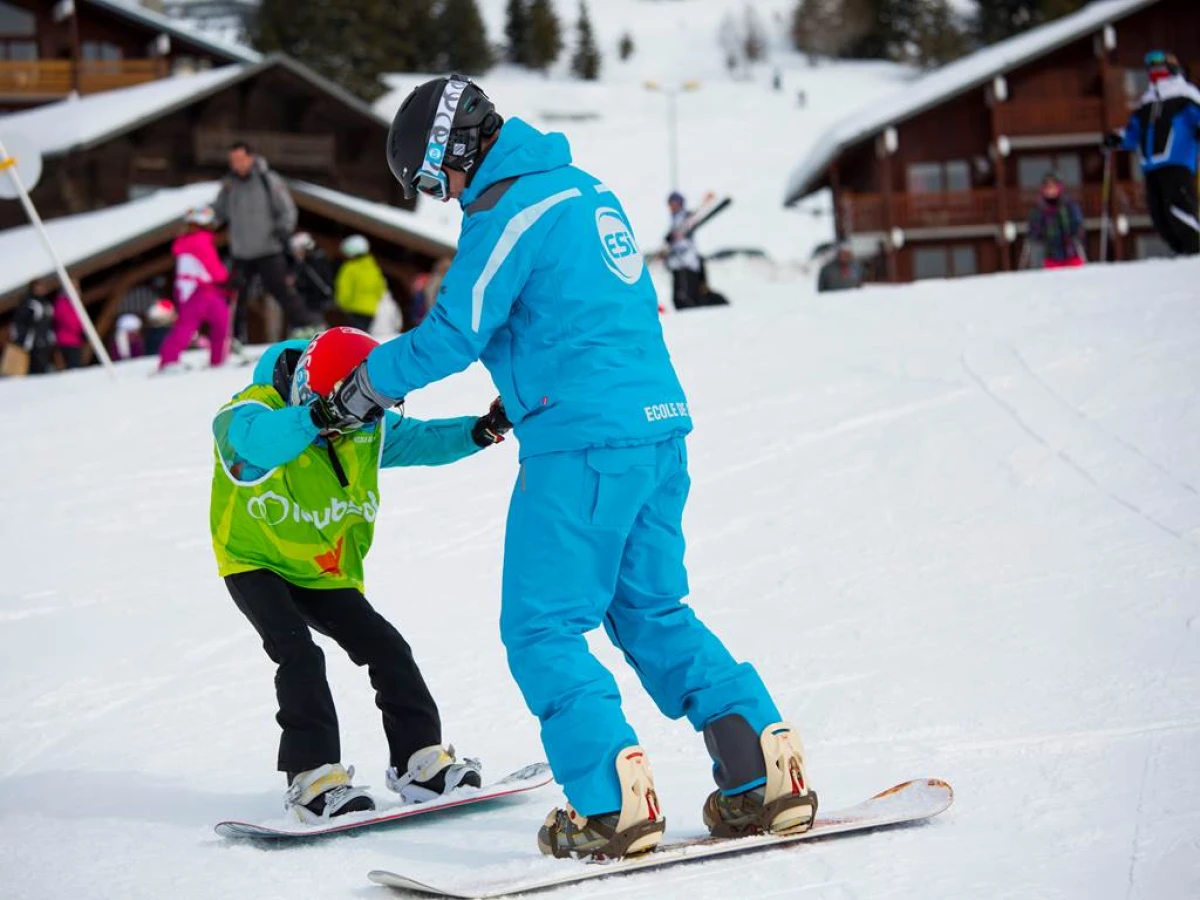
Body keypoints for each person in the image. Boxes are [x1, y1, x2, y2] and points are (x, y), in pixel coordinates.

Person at [323, 75, 818, 859]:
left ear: (456, 145)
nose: (441, 196)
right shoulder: (588, 193)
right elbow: (588, 318)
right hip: (657, 435)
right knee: (654, 611)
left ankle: (609, 803)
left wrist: (366, 389)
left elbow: (457, 330)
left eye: (429, 177)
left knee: (542, 625)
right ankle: (764, 770)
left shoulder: (509, 209)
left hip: (584, 446)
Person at [211, 326, 513, 823]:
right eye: (342, 417)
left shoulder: (362, 425)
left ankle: (417, 762)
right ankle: (312, 777)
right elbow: (255, 446)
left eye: (357, 418)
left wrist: (481, 430)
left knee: (388, 649)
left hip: (324, 567)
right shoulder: (248, 411)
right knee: (299, 656)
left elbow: (419, 440)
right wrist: (316, 416)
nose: (347, 431)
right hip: (256, 559)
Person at [212, 140, 321, 337]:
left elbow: (287, 209)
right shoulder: (229, 184)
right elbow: (219, 212)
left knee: (281, 290)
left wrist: (283, 229)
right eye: (232, 160)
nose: (236, 164)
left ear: (250, 158)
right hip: (241, 251)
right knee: (235, 296)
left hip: (268, 248)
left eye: (240, 159)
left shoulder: (268, 179)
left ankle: (308, 325)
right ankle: (233, 336)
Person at [1103, 50, 1200, 256]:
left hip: (1177, 162)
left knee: (1179, 209)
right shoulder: (1146, 103)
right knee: (1159, 215)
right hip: (1151, 167)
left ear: (1172, 68)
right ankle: (1183, 254)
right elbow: (1133, 133)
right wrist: (1117, 138)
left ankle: (1195, 249)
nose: (1156, 72)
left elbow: (1196, 117)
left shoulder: (1185, 95)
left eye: (1160, 67)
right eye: (1152, 68)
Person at [158, 206, 232, 372]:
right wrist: (227, 280)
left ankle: (170, 359)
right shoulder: (199, 240)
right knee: (201, 324)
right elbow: (214, 269)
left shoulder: (188, 241)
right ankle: (216, 360)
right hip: (198, 291)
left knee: (204, 322)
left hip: (194, 289)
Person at [1026, 173, 1085, 269]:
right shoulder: (1039, 210)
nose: (1050, 191)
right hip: (1050, 255)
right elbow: (1034, 231)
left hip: (1070, 253)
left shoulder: (1069, 206)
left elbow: (1078, 224)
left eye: (1053, 187)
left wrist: (1077, 232)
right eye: (1047, 188)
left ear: (1059, 188)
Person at [335, 235, 388, 332]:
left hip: (354, 309)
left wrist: (342, 304)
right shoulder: (374, 269)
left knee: (349, 337)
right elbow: (380, 290)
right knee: (361, 336)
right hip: (370, 310)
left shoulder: (350, 268)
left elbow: (345, 289)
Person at [665, 191, 704, 310]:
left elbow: (684, 236)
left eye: (673, 203)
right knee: (678, 298)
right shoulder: (675, 219)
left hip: (687, 264)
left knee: (686, 297)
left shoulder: (686, 217)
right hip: (678, 264)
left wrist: (673, 238)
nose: (671, 207)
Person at [8, 280, 55, 375]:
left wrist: (50, 334)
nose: (41, 290)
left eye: (42, 288)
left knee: (43, 365)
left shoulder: (45, 303)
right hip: (31, 342)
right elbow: (21, 323)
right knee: (34, 368)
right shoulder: (29, 304)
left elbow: (47, 323)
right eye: (38, 288)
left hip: (44, 340)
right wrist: (24, 339)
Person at [289, 232, 334, 320]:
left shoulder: (312, 264)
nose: (295, 254)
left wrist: (296, 283)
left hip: (312, 305)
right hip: (312, 304)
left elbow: (313, 284)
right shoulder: (311, 262)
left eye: (296, 250)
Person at [52, 283, 85, 368]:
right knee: (74, 368)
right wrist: (79, 328)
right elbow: (69, 322)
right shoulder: (62, 303)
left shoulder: (73, 303)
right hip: (66, 341)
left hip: (74, 340)